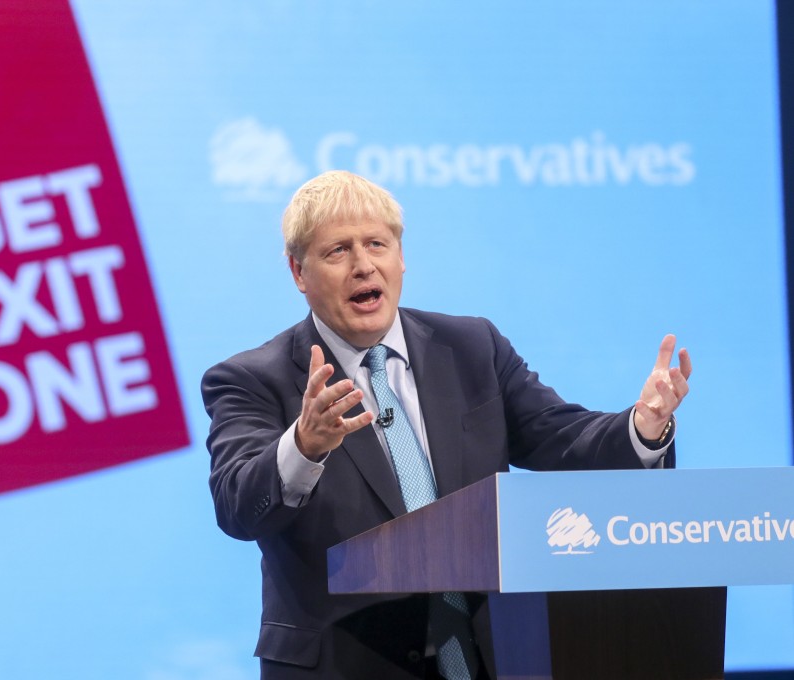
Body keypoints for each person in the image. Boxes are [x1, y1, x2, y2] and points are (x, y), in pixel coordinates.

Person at [201, 170, 690, 680]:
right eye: (338, 252)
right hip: (345, 665)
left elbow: (562, 439)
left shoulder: (472, 347)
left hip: (488, 657)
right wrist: (302, 447)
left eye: (377, 244)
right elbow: (238, 506)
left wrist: (644, 426)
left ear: (401, 256)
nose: (364, 265)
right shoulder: (250, 379)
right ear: (298, 272)